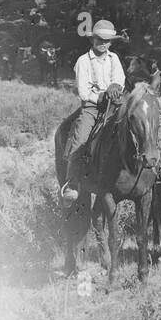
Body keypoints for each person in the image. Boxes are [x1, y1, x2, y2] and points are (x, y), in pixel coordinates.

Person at [60, 19, 126, 203]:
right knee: (80, 137)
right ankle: (72, 182)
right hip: (92, 107)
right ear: (92, 40)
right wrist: (102, 96)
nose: (103, 43)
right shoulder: (83, 61)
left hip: (114, 105)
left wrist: (115, 86)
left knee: (134, 126)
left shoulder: (114, 59)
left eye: (107, 40)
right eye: (99, 40)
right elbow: (83, 91)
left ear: (111, 42)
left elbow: (120, 79)